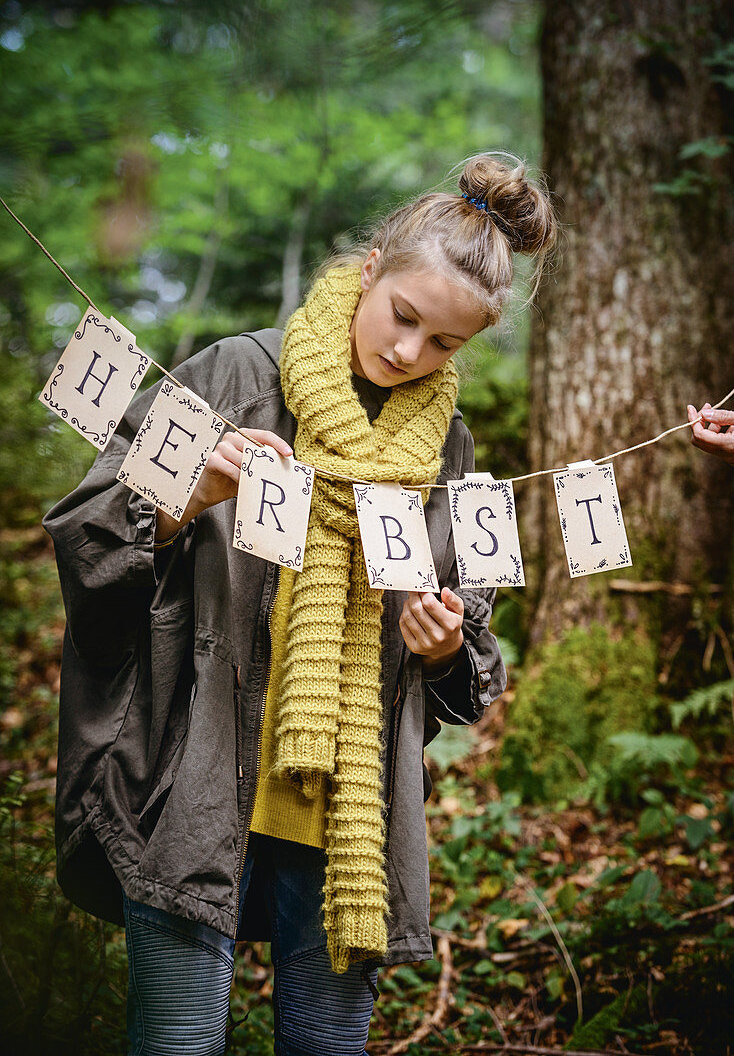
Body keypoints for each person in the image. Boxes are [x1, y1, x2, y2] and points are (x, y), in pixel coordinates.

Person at [43, 152, 557, 1056]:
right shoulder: (232, 377)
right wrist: (185, 495)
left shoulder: (451, 451)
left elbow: (475, 667)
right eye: (403, 317)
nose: (408, 354)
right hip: (191, 779)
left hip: (350, 817)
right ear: (369, 271)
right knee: (176, 1041)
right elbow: (89, 543)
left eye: (444, 344)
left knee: (327, 1045)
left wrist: (441, 648)